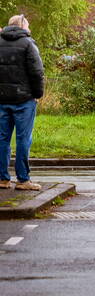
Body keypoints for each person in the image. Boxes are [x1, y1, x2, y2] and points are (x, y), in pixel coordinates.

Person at [0, 14, 45, 191]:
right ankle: (23, 179)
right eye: (28, 25)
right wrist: (37, 94)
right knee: (23, 139)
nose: (30, 29)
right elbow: (37, 72)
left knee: (2, 139)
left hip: (2, 100)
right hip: (24, 100)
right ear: (21, 26)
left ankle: (3, 179)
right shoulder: (28, 44)